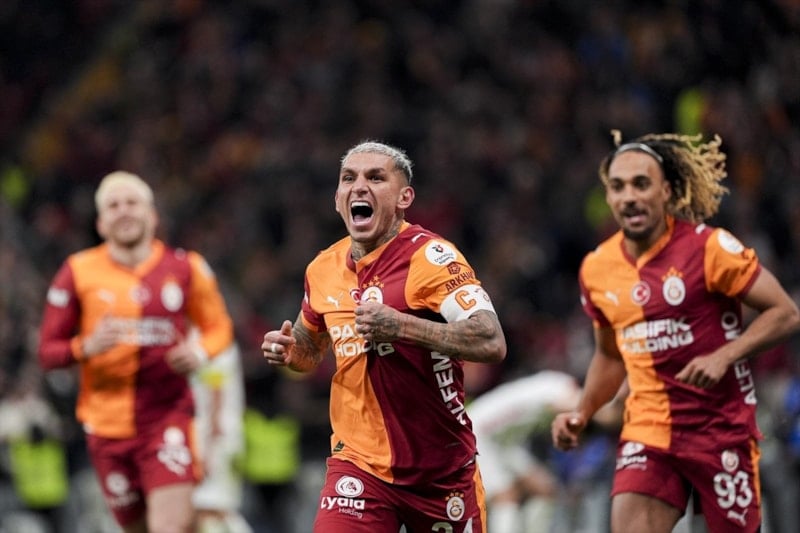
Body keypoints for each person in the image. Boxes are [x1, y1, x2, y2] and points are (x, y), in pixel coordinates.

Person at [550, 131, 800, 533]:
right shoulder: (597, 269)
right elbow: (610, 355)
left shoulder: (710, 248)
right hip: (648, 430)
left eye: (641, 184)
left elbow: (786, 314)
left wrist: (725, 355)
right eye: (618, 187)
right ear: (609, 197)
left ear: (666, 191)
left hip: (720, 430)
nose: (629, 196)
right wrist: (583, 412)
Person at [261, 140, 507, 532]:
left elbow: (491, 341)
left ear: (404, 197)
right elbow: (310, 351)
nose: (359, 186)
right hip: (358, 465)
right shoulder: (322, 269)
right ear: (337, 199)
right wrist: (291, 352)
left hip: (440, 472)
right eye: (349, 179)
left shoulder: (431, 259)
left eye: (376, 178)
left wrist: (402, 326)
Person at [38, 171, 235, 533]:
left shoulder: (186, 267)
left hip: (167, 418)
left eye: (132, 203)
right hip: (106, 427)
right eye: (113, 206)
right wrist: (86, 346)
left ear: (152, 215)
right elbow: (48, 351)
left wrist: (199, 351)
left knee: (168, 527)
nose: (124, 211)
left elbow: (219, 327)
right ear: (100, 223)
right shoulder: (77, 272)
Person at [468, 370, 622, 533]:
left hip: (506, 442)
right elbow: (602, 414)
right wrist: (617, 410)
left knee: (544, 489)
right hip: (477, 434)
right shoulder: (565, 389)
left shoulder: (559, 386)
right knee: (505, 496)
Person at [190, 340, 253, 533]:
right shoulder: (225, 343)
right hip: (227, 436)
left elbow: (216, 391)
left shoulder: (211, 344)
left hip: (213, 438)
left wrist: (208, 449)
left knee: (209, 507)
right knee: (216, 505)